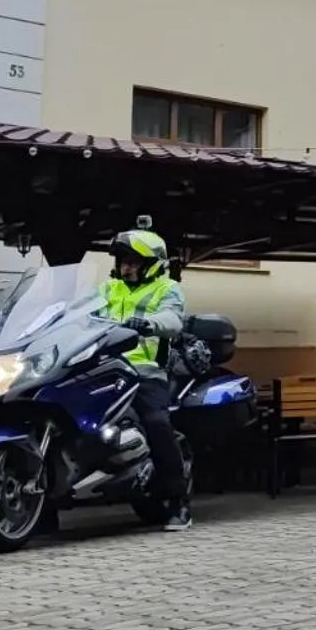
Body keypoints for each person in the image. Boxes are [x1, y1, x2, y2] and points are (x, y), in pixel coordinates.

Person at [101, 227, 191, 532]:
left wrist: (150, 324)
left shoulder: (168, 289)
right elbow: (80, 313)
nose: (125, 266)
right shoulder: (108, 288)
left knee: (157, 423)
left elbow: (173, 319)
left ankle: (178, 502)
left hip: (145, 371)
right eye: (123, 260)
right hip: (102, 367)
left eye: (132, 261)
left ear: (151, 264)